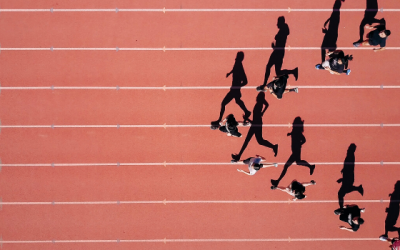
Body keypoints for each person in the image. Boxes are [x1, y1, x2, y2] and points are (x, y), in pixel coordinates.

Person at [231, 92, 278, 162]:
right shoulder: (260, 103)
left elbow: (254, 122)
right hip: (256, 124)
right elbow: (267, 105)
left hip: (256, 124)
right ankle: (239, 156)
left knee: (257, 141)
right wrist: (263, 112)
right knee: (256, 141)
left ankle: (274, 146)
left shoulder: (259, 105)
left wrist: (247, 119)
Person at [271, 117, 315, 187]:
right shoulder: (294, 131)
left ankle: (277, 181)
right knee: (298, 162)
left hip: (296, 151)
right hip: (295, 151)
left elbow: (304, 140)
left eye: (294, 123)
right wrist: (290, 134)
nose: (292, 124)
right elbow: (294, 134)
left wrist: (299, 144)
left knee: (286, 166)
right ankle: (311, 166)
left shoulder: (298, 132)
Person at [211, 52, 251, 127]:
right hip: (234, 89)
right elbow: (234, 69)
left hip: (234, 90)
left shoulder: (240, 66)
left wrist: (238, 86)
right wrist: (230, 73)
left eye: (237, 56)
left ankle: (219, 120)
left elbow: (245, 81)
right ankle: (247, 112)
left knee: (223, 103)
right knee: (238, 101)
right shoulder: (237, 63)